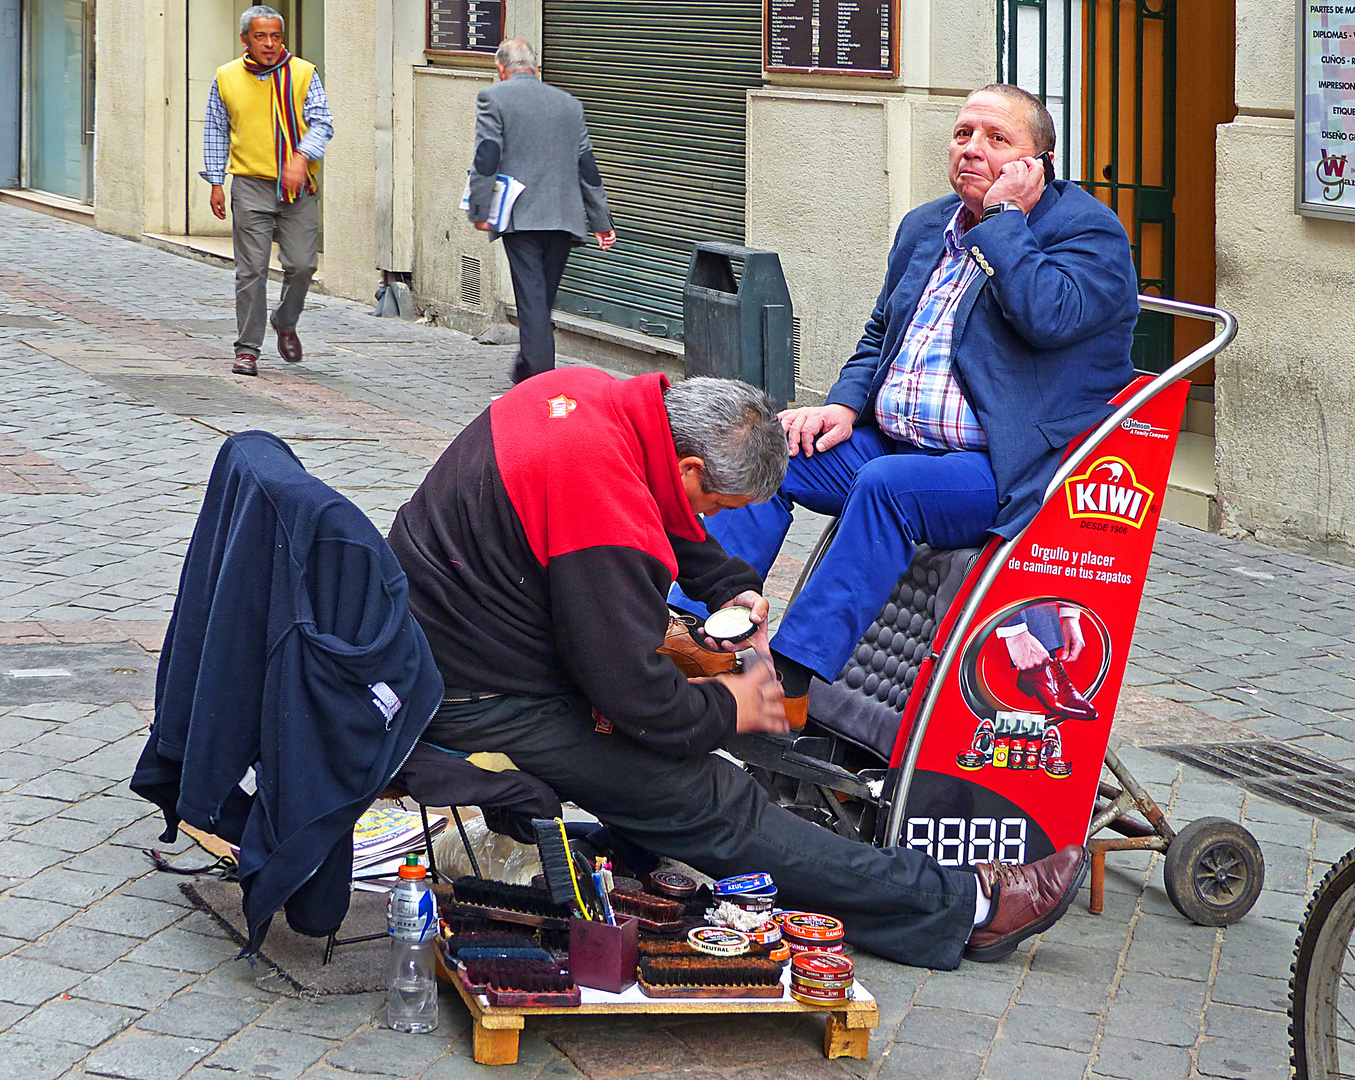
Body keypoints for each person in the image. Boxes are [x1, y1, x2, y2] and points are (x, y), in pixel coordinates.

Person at [388, 370, 1086, 970]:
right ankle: (967, 906)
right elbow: (636, 698)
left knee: (673, 775)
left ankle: (634, 858)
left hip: (456, 649)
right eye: (716, 506)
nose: (707, 517)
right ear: (688, 467)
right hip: (474, 693)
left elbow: (662, 514)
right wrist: (735, 708)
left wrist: (723, 578)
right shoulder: (600, 502)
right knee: (714, 798)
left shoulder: (590, 399)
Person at [672, 84, 1140, 729]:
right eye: (963, 134)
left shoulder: (1089, 231)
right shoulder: (927, 225)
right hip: (894, 439)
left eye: (997, 140)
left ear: (1039, 164)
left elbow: (1049, 318)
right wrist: (843, 405)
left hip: (1000, 468)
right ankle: (696, 630)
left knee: (886, 485)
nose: (973, 149)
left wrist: (1007, 224)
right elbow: (878, 332)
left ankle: (794, 677)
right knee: (764, 455)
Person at [467, 39, 616, 385]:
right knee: (540, 298)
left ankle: (540, 383)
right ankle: (526, 367)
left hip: (521, 217)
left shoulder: (494, 97)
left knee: (533, 300)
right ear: (535, 68)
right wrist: (601, 221)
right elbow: (587, 165)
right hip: (564, 218)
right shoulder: (569, 104)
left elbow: (487, 155)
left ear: (501, 70)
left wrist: (479, 208)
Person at [202, 5, 333, 378]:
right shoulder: (226, 78)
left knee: (302, 265)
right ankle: (247, 349)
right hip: (250, 185)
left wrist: (300, 156)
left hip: (298, 188)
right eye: (261, 36)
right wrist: (215, 181)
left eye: (276, 36)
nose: (270, 43)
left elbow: (323, 122)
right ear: (245, 39)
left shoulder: (304, 73)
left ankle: (285, 319)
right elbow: (215, 129)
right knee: (251, 270)